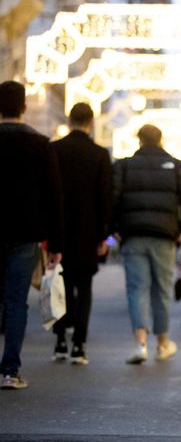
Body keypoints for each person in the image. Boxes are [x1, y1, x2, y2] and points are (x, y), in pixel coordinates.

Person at [112, 124, 181, 364]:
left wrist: (114, 229)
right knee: (161, 290)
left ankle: (140, 344)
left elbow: (110, 198)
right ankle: (163, 343)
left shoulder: (124, 166)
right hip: (165, 236)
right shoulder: (177, 167)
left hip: (132, 235)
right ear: (161, 140)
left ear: (139, 141)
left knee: (137, 288)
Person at [0, 80, 63, 389]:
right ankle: (10, 370)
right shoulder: (40, 144)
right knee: (16, 301)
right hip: (26, 234)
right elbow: (54, 196)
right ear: (24, 108)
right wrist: (56, 244)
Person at [50, 103, 112, 365]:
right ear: (91, 122)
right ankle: (79, 346)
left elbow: (49, 194)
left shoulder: (54, 150)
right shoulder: (99, 154)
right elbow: (105, 198)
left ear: (70, 119)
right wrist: (103, 237)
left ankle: (60, 339)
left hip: (60, 231)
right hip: (88, 233)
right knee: (84, 289)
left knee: (60, 286)